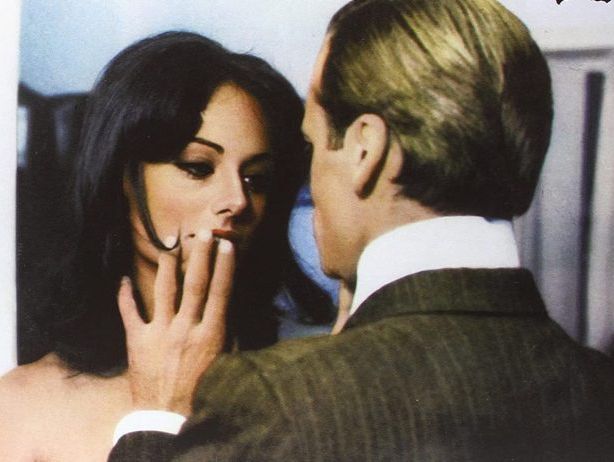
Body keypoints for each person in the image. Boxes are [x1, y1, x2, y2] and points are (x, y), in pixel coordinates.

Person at [109, 0, 614, 460]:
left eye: (313, 147)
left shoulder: (275, 399)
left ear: (365, 149)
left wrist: (158, 419)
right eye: (198, 167)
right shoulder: (598, 385)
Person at [0, 31, 311, 461]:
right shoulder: (24, 406)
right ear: (121, 177)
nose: (238, 200)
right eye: (198, 167)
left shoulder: (309, 374)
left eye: (256, 179)